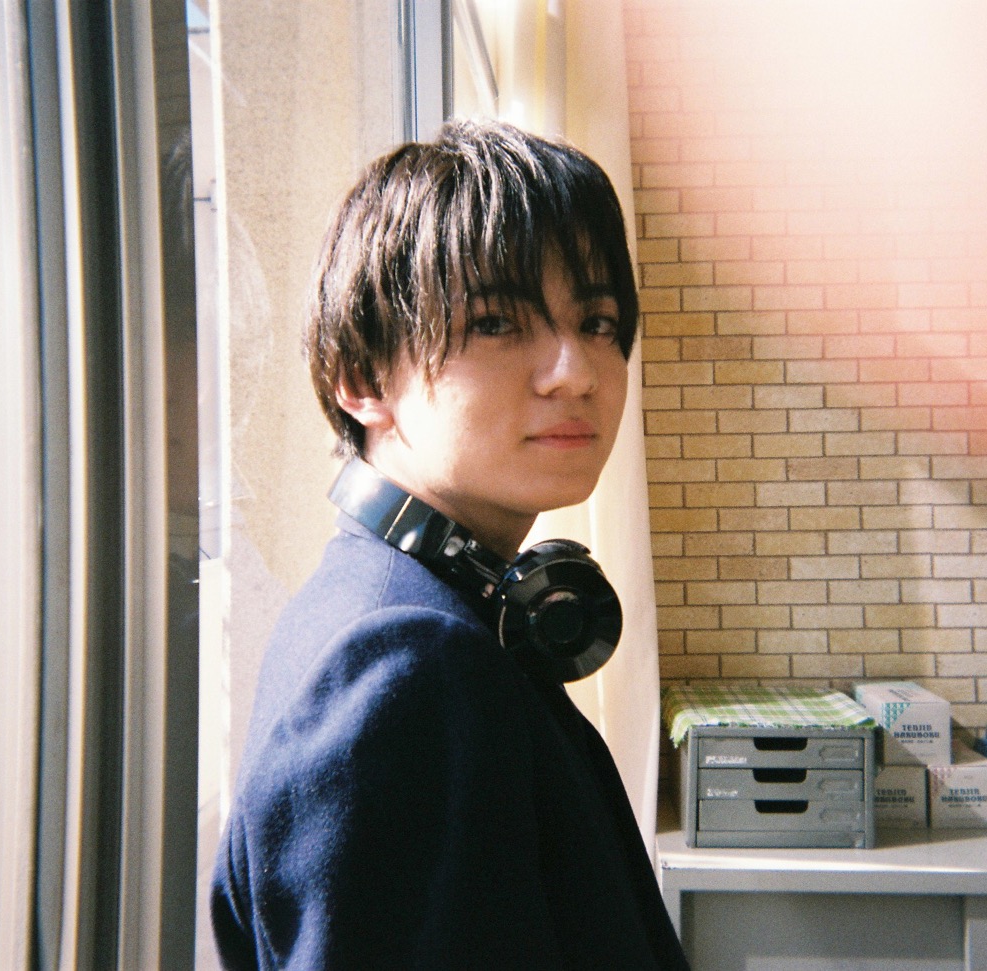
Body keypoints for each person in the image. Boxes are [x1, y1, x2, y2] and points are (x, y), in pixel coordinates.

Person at [210, 119, 690, 971]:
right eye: (499, 321)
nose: (576, 370)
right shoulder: (405, 665)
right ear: (362, 377)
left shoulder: (402, 604)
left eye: (599, 320)